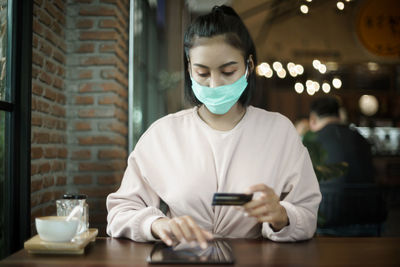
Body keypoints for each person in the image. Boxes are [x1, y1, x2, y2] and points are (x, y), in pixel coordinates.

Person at [106, 5, 321, 248]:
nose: (215, 84)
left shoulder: (279, 132)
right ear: (189, 69)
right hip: (183, 259)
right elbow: (119, 212)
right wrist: (157, 225)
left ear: (248, 66)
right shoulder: (163, 134)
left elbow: (307, 214)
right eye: (202, 73)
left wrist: (282, 216)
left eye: (228, 72)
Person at [308, 96, 386, 236]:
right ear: (339, 115)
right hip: (370, 214)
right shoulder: (360, 137)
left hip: (328, 217)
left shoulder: (311, 140)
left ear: (313, 119)